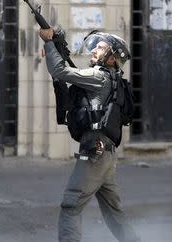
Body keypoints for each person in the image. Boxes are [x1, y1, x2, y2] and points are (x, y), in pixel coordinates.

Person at [39, 28, 140, 242]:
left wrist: (49, 43)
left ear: (112, 59)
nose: (94, 50)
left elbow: (60, 71)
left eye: (101, 48)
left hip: (95, 153)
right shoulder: (112, 79)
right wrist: (55, 48)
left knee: (70, 205)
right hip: (106, 154)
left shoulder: (98, 76)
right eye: (96, 46)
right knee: (115, 213)